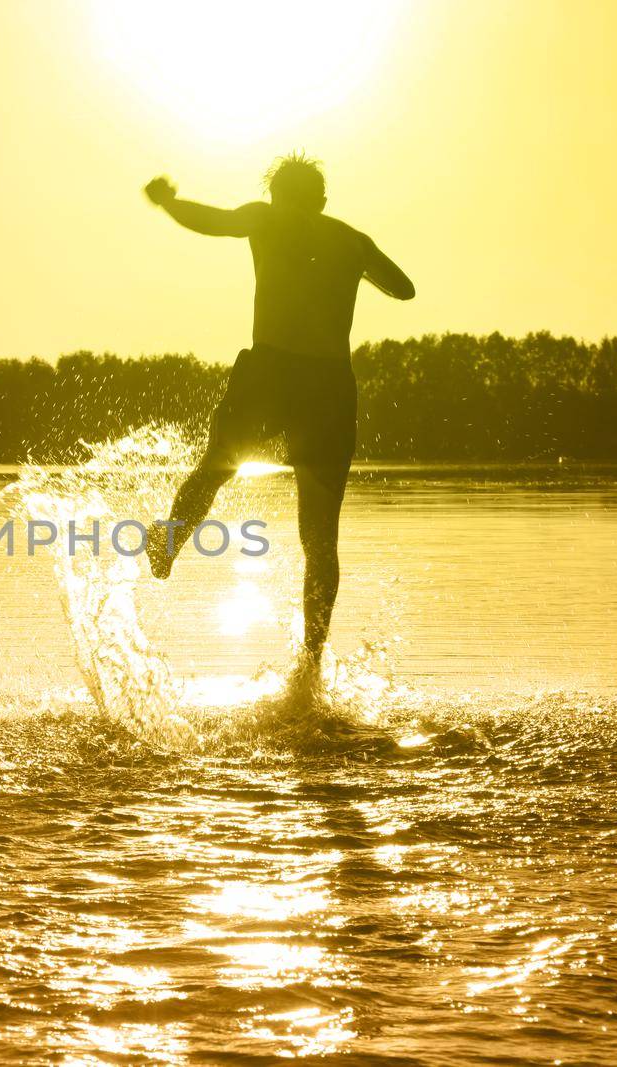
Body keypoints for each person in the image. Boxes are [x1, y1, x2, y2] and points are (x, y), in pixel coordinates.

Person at [141, 154, 414, 689]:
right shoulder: (351, 238)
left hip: (271, 373)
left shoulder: (266, 218)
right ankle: (310, 664)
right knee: (320, 539)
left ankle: (169, 542)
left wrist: (169, 202)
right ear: (322, 200)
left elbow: (211, 221)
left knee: (217, 468)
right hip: (331, 387)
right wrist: (357, 259)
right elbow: (403, 289)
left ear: (277, 195)